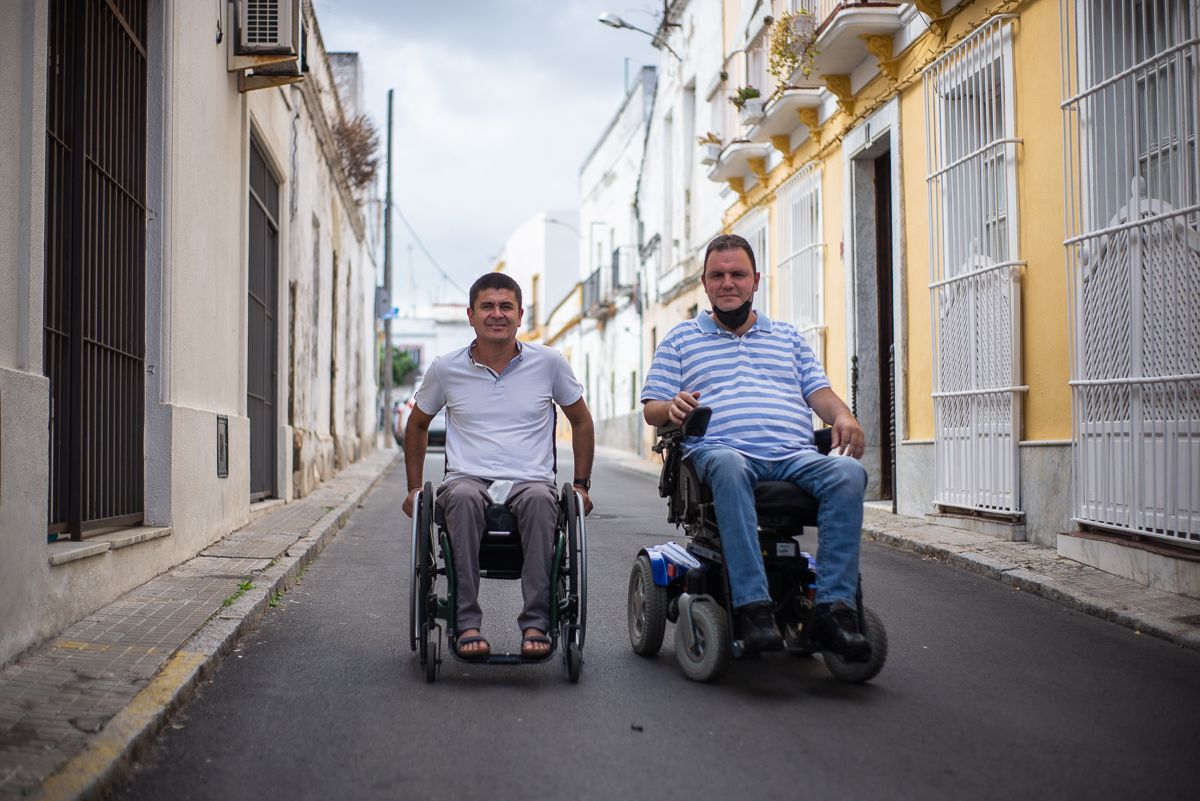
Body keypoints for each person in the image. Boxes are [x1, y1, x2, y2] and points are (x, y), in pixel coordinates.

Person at [640, 234, 871, 659]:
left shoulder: (788, 337)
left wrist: (844, 416)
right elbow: (651, 409)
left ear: (756, 280)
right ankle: (753, 607)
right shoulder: (680, 340)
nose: (728, 282)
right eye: (718, 275)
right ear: (705, 284)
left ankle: (834, 611)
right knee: (728, 462)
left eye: (738, 274)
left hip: (792, 456)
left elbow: (819, 392)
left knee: (849, 472)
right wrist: (670, 407)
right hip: (721, 453)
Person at [402, 272, 594, 660]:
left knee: (543, 500)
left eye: (506, 306)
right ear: (470, 315)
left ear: (520, 314)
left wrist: (581, 484)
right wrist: (413, 488)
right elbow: (418, 423)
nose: (497, 314)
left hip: (530, 480)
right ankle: (466, 623)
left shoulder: (550, 363)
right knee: (461, 497)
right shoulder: (445, 368)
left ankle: (537, 623)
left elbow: (581, 420)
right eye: (487, 306)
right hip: (467, 478)